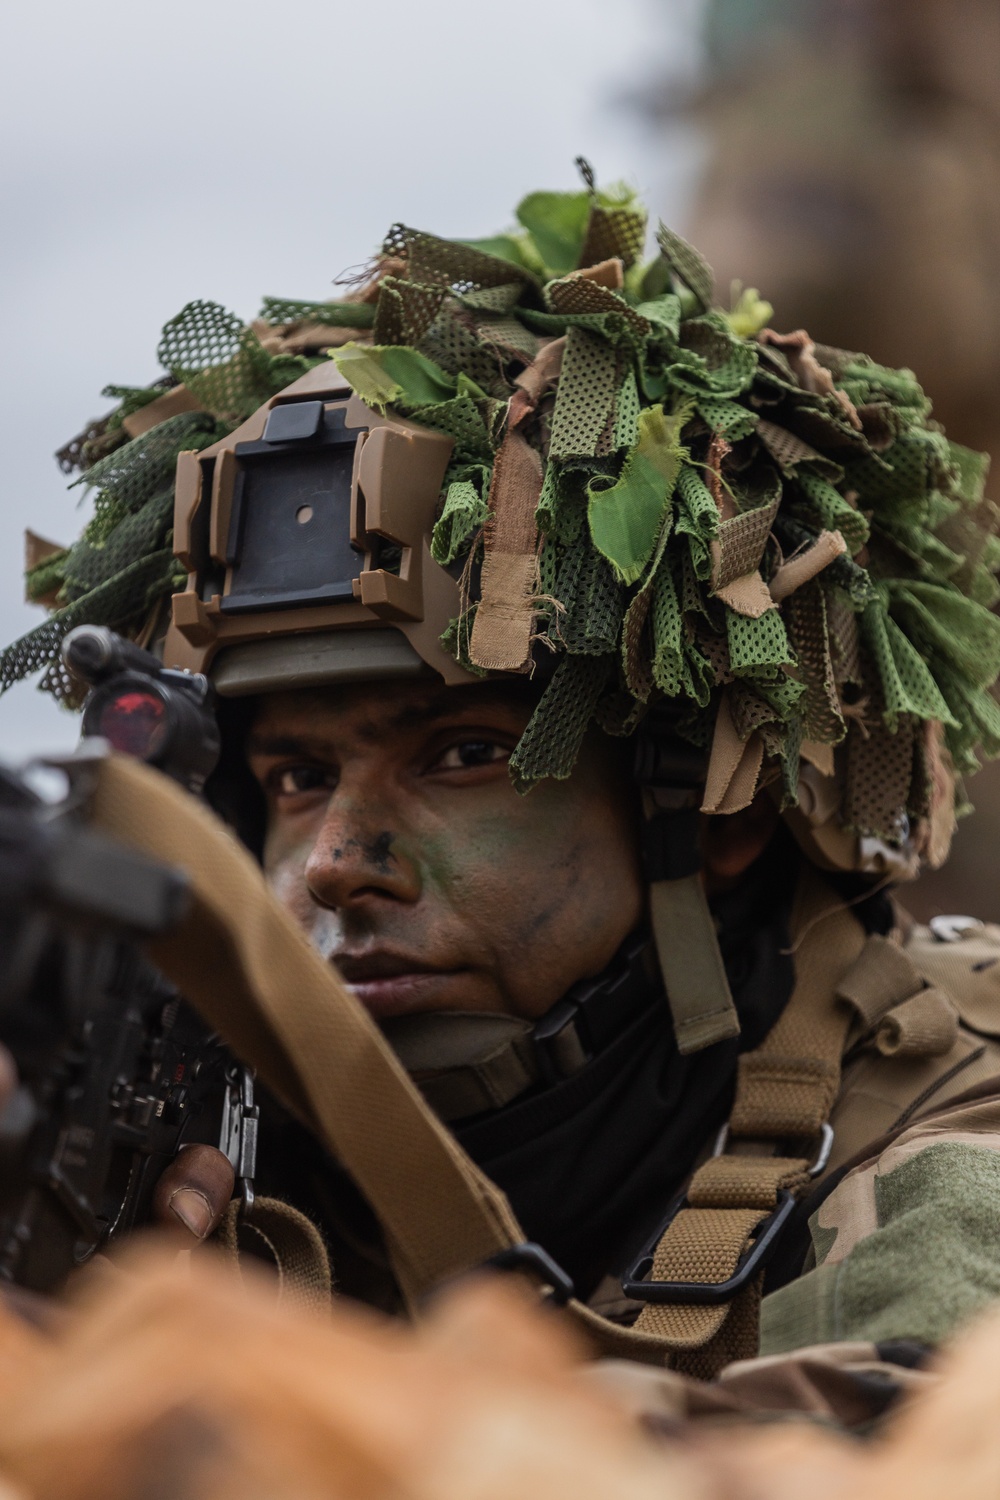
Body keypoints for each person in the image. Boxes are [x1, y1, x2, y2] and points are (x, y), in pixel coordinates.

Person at [7, 172, 1000, 1408]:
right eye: (298, 778)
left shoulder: (950, 1132)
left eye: (461, 755)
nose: (333, 860)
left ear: (711, 811)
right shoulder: (213, 1152)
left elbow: (881, 1454)